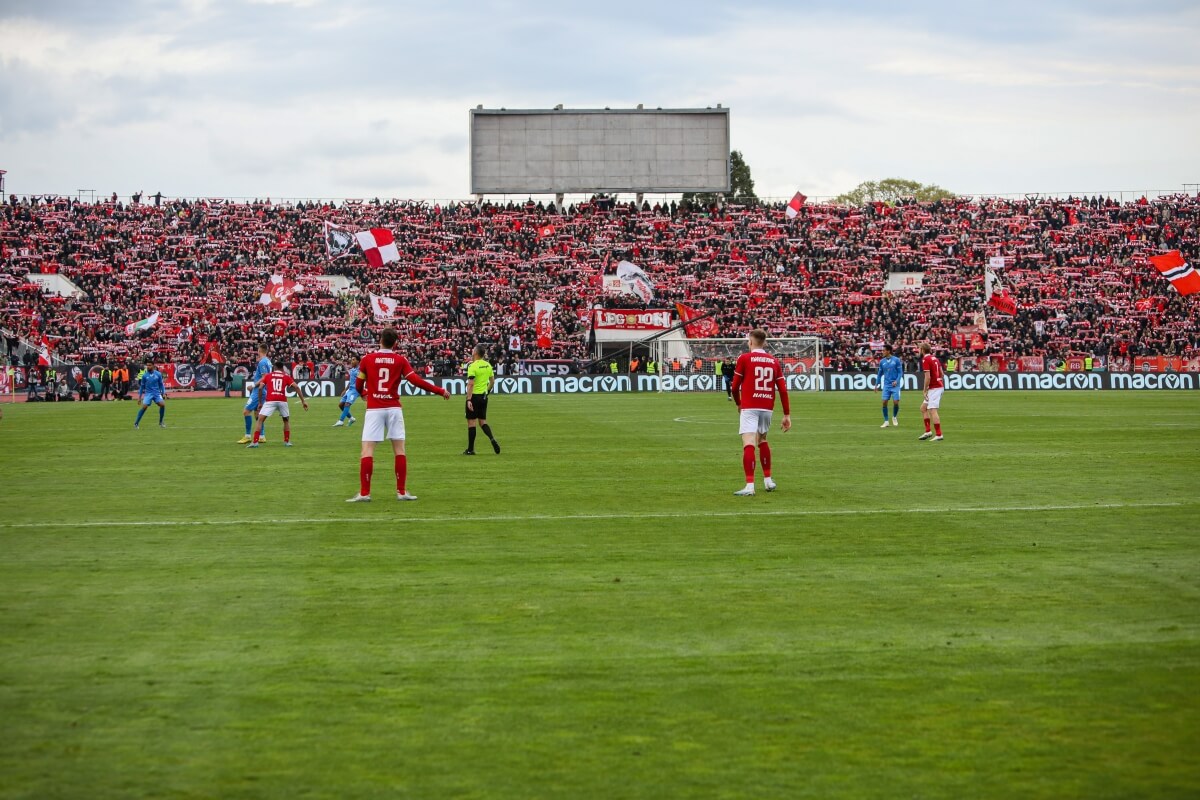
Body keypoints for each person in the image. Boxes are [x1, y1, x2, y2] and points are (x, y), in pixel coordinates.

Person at [346, 328, 451, 503]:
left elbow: (357, 386)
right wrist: (439, 390)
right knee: (399, 450)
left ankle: (365, 493)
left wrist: (364, 393)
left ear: (380, 340)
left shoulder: (367, 359)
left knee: (367, 451)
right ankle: (401, 492)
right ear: (395, 343)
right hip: (394, 408)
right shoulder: (400, 360)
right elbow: (416, 381)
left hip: (374, 409)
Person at [729, 329, 791, 496]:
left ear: (750, 342)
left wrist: (739, 403)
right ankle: (768, 480)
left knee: (749, 442)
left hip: (750, 406)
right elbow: (783, 390)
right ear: (764, 342)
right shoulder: (773, 361)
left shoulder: (744, 358)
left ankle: (749, 486)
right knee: (762, 439)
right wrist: (786, 414)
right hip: (767, 407)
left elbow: (734, 387)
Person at [246, 367, 309, 448]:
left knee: (260, 420)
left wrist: (260, 403)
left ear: (274, 368)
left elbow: (260, 388)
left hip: (270, 400)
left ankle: (255, 442)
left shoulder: (268, 376)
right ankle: (287, 441)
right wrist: (303, 401)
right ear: (282, 369)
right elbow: (296, 387)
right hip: (282, 400)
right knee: (286, 421)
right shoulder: (285, 376)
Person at [463, 345, 501, 455]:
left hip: (474, 397)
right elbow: (492, 381)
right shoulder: (488, 365)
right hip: (483, 397)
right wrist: (487, 392)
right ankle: (492, 438)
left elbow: (471, 383)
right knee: (483, 422)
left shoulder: (473, 366)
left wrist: (468, 399)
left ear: (475, 352)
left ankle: (470, 450)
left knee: (472, 423)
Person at [238, 344, 271, 444]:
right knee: (257, 413)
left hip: (258, 390)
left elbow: (264, 377)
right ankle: (262, 436)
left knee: (246, 412)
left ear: (259, 351)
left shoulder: (262, 362)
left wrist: (253, 386)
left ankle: (247, 436)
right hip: (263, 389)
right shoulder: (268, 361)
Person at [918, 343, 945, 442]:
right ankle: (928, 431)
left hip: (934, 388)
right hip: (937, 386)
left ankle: (939, 434)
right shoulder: (935, 358)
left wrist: (925, 389)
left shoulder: (925, 359)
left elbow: (927, 377)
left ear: (922, 350)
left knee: (932, 410)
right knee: (923, 408)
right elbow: (942, 374)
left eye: (919, 349)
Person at [876, 344, 904, 428]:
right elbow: (879, 374)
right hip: (886, 385)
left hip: (895, 385)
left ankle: (894, 417)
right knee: (884, 402)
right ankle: (886, 421)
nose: (882, 352)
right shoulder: (882, 361)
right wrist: (877, 384)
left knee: (896, 402)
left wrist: (897, 381)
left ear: (888, 351)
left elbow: (900, 372)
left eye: (884, 350)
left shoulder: (896, 360)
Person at [134, 359, 167, 429]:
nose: (148, 367)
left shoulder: (158, 374)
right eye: (147, 365)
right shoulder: (144, 376)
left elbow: (161, 384)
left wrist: (163, 393)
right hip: (148, 393)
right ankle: (136, 423)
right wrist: (139, 397)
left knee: (162, 405)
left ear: (153, 366)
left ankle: (161, 422)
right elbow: (142, 387)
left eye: (149, 365)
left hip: (156, 393)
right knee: (144, 407)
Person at [333, 360, 360, 427]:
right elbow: (351, 381)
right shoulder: (352, 370)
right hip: (350, 390)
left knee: (347, 404)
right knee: (341, 405)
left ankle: (341, 421)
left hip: (355, 390)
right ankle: (351, 418)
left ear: (357, 362)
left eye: (353, 360)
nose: (351, 361)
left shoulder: (360, 370)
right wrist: (345, 390)